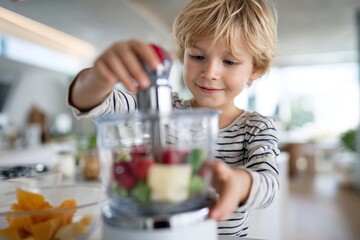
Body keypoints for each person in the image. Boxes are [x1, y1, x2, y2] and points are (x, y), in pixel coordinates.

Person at [67, 0, 279, 237]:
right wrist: (99, 77)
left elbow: (269, 184)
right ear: (182, 55)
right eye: (198, 57)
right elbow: (96, 103)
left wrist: (240, 183)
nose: (209, 73)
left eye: (229, 62)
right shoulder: (161, 109)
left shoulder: (256, 127)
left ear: (255, 68)